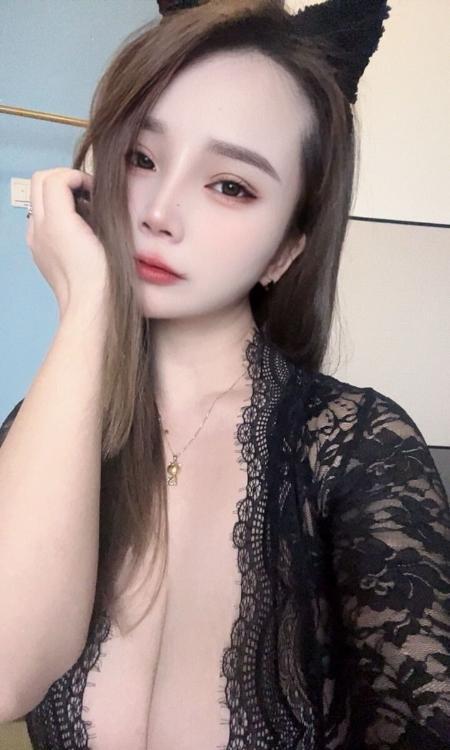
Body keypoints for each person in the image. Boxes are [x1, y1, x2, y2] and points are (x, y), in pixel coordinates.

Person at [0, 1, 448, 748]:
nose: (159, 213)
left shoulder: (357, 448)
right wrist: (86, 306)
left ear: (286, 249)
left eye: (231, 185)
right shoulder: (41, 426)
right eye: (140, 159)